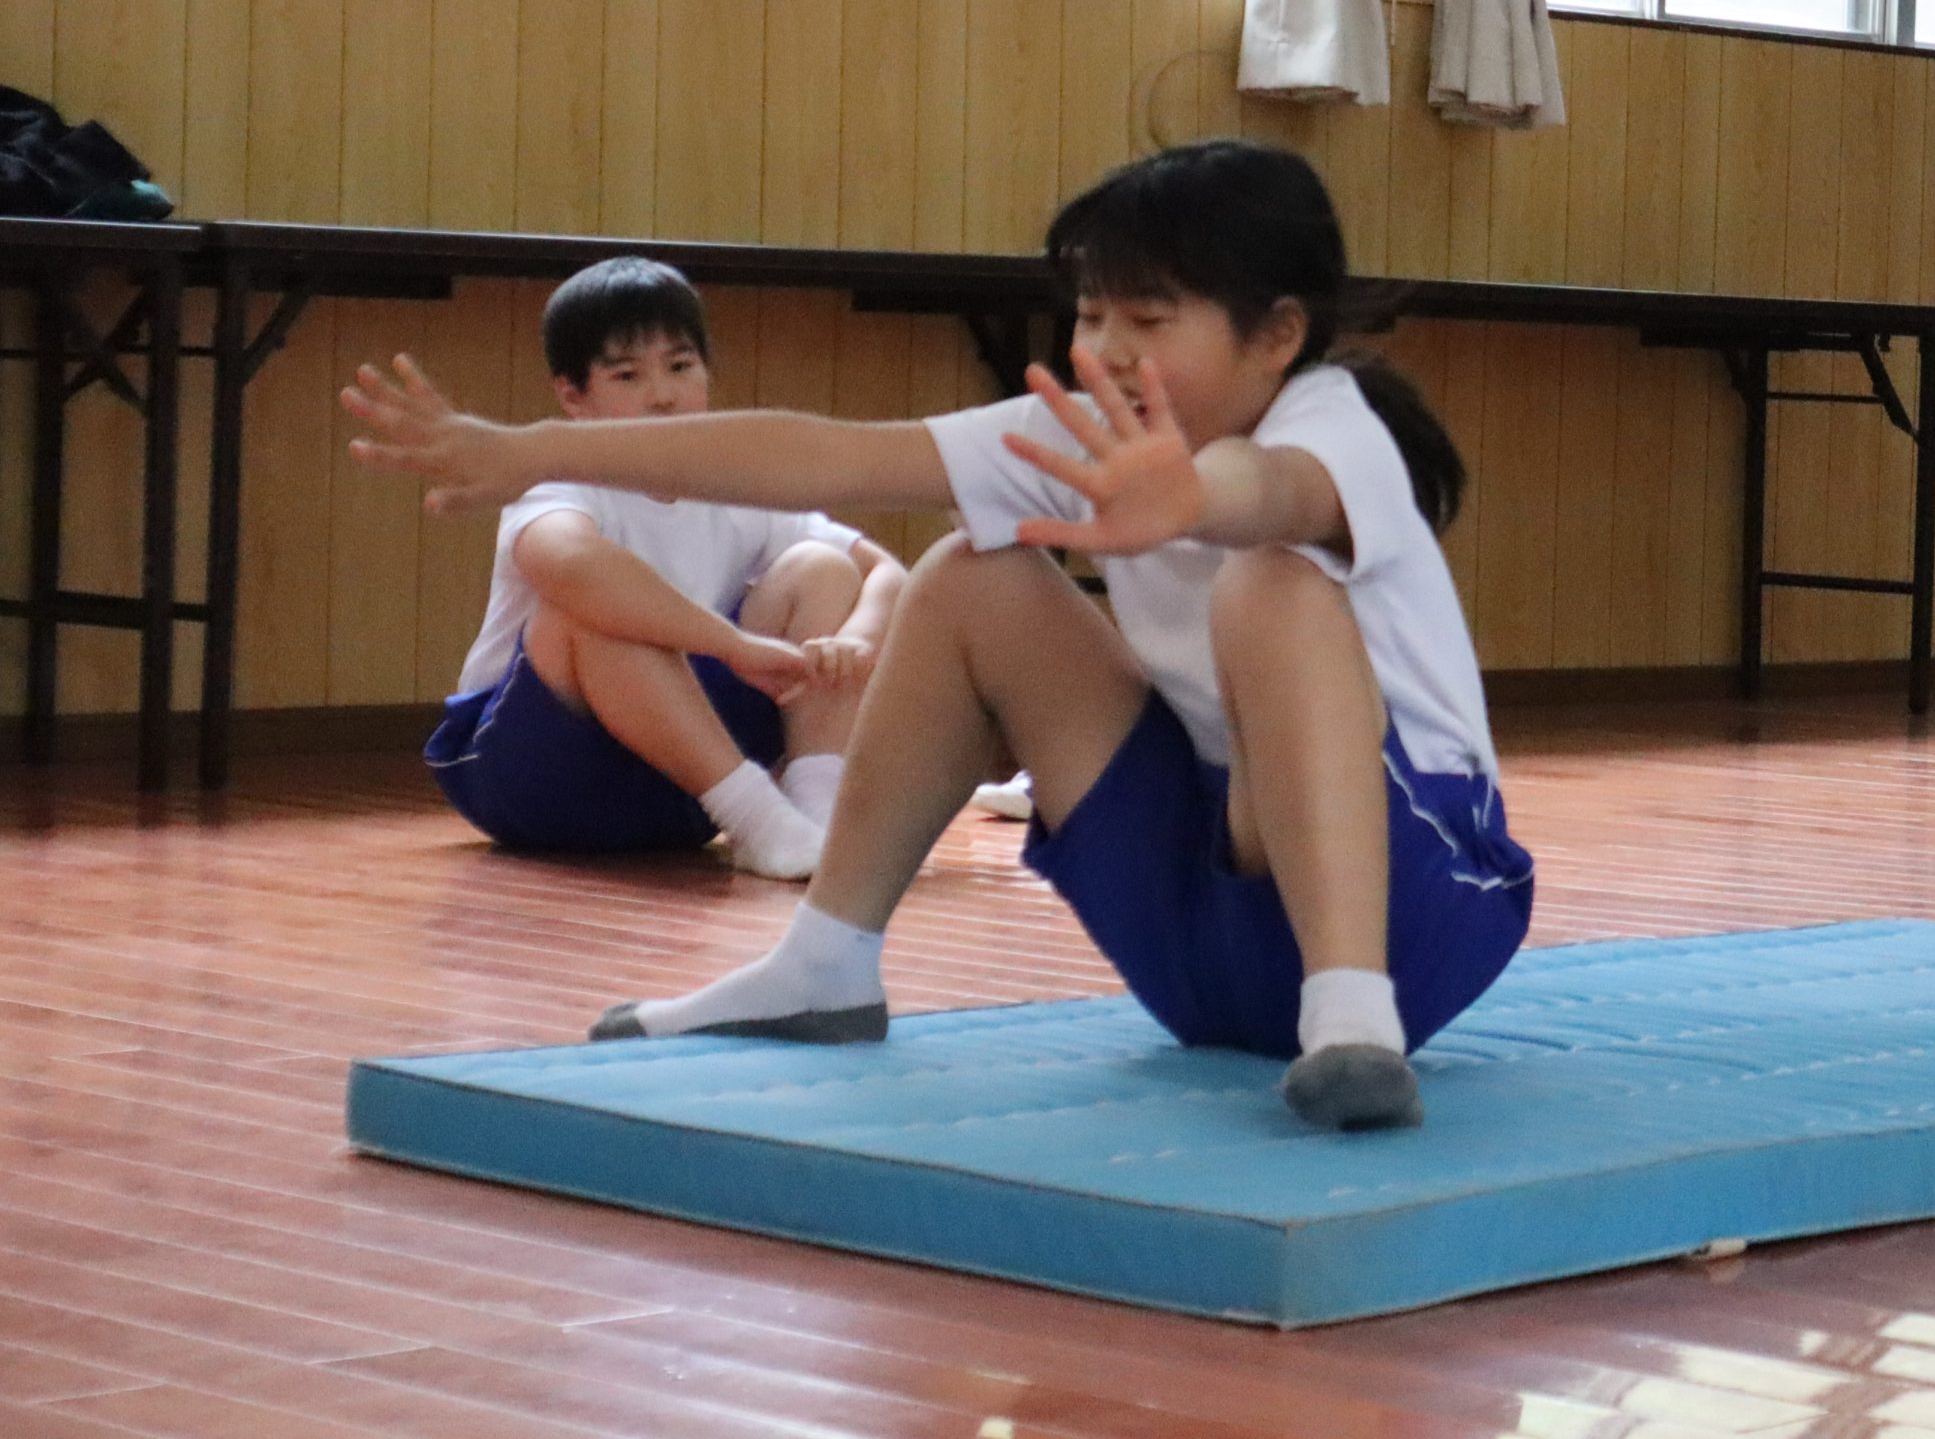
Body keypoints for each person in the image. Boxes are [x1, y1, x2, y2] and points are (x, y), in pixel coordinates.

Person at [344, 141, 1534, 1131]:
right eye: (1092, 314)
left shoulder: (1334, 423)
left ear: (1274, 335)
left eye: (1149, 318)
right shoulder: (1082, 425)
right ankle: (823, 964)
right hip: (1204, 943)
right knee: (972, 573)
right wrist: (530, 450)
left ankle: (1349, 1011)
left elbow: (1275, 490)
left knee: (1268, 581)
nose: (1108, 347)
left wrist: (1195, 498)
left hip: (1411, 919)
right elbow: (828, 454)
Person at [425, 256, 906, 879]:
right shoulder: (554, 482)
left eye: (681, 367)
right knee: (595, 610)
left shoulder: (734, 484)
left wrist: (856, 640)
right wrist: (732, 645)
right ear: (572, 396)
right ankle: (758, 818)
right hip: (535, 782)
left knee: (822, 568)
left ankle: (813, 805)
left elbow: (887, 572)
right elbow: (573, 568)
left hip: (684, 785)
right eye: (628, 375)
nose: (663, 395)